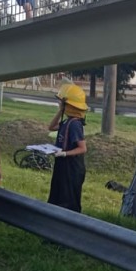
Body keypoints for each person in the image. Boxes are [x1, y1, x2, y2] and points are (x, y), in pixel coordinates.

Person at [47, 83, 88, 212]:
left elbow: (82, 148)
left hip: (71, 167)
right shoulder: (66, 122)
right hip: (62, 165)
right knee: (58, 196)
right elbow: (51, 127)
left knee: (68, 199)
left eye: (61, 103)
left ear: (68, 105)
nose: (59, 104)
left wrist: (64, 154)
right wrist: (60, 111)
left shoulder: (75, 124)